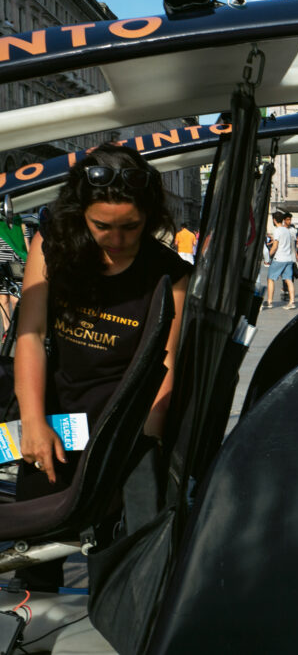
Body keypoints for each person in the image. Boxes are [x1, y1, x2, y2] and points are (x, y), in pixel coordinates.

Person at [14, 143, 191, 590]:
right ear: (81, 215)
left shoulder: (168, 274)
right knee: (34, 559)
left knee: (119, 565)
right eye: (101, 227)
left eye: (130, 227)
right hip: (55, 414)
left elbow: (165, 363)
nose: (115, 240)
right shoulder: (51, 246)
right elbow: (30, 334)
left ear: (148, 216)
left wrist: (146, 440)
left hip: (120, 427)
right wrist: (33, 420)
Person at [266, 210, 296, 310]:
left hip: (279, 258)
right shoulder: (287, 230)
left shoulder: (277, 231)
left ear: (274, 220)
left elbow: (275, 246)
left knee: (270, 278)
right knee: (289, 280)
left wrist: (268, 255)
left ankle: (269, 301)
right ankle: (292, 302)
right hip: (288, 258)